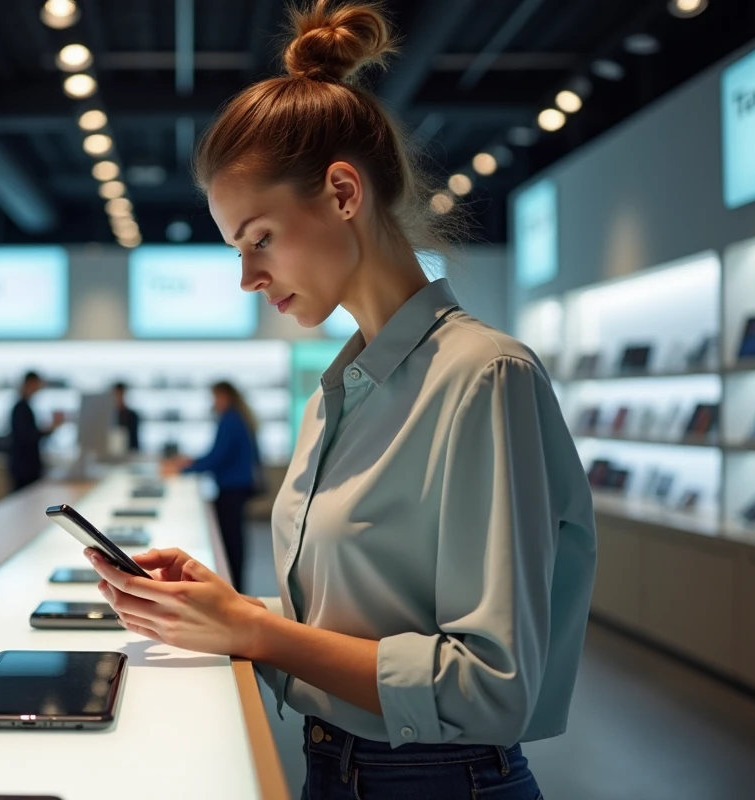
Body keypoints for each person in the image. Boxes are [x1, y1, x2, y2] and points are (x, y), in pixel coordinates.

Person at [85, 3, 597, 798]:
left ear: (343, 192)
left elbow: (492, 684)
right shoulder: (340, 394)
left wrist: (257, 633)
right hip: (336, 769)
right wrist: (227, 606)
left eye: (259, 237)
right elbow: (361, 619)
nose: (249, 278)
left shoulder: (486, 378)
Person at [164, 381, 258, 590]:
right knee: (233, 539)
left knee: (232, 541)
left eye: (215, 397)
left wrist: (184, 469)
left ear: (225, 396)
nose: (213, 402)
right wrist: (191, 463)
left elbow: (217, 458)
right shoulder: (237, 418)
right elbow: (217, 455)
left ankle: (234, 589)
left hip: (232, 489)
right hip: (236, 487)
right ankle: (235, 587)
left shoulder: (230, 420)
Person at [5, 371, 64, 492]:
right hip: (24, 467)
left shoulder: (24, 406)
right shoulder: (21, 407)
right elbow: (28, 436)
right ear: (31, 383)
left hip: (26, 465)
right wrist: (50, 428)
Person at [111, 381, 140, 453]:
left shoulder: (132, 415)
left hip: (127, 454)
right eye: (116, 395)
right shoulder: (108, 415)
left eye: (120, 394)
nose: (118, 398)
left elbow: (135, 442)